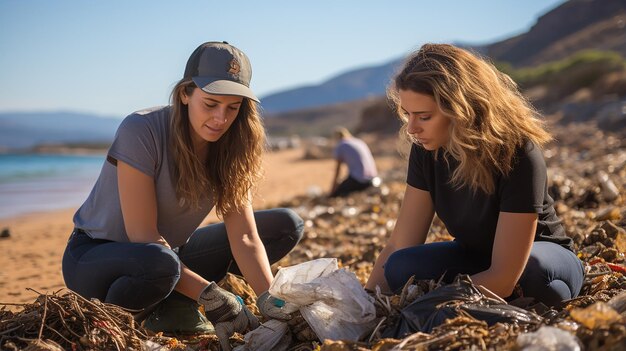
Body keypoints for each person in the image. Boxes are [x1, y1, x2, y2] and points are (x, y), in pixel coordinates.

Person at [62, 41, 303, 350]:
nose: (220, 119)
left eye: (233, 108)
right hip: (95, 257)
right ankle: (149, 309)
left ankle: (172, 303)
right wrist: (211, 295)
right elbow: (143, 235)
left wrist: (269, 301)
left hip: (167, 258)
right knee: (161, 263)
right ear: (186, 93)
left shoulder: (233, 146)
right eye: (211, 104)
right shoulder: (142, 129)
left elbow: (244, 236)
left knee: (286, 225)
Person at [365, 44, 584, 307]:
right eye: (407, 115)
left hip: (542, 258)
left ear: (461, 109)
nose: (412, 129)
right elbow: (399, 244)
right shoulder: (426, 152)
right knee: (399, 267)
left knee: (534, 275)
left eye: (423, 116)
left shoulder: (517, 153)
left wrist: (432, 304)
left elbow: (504, 277)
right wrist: (365, 303)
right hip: (477, 256)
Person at [328, 127, 379, 197]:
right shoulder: (359, 142)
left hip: (359, 180)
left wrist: (333, 190)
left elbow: (338, 170)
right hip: (374, 179)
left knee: (337, 194)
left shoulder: (341, 145)